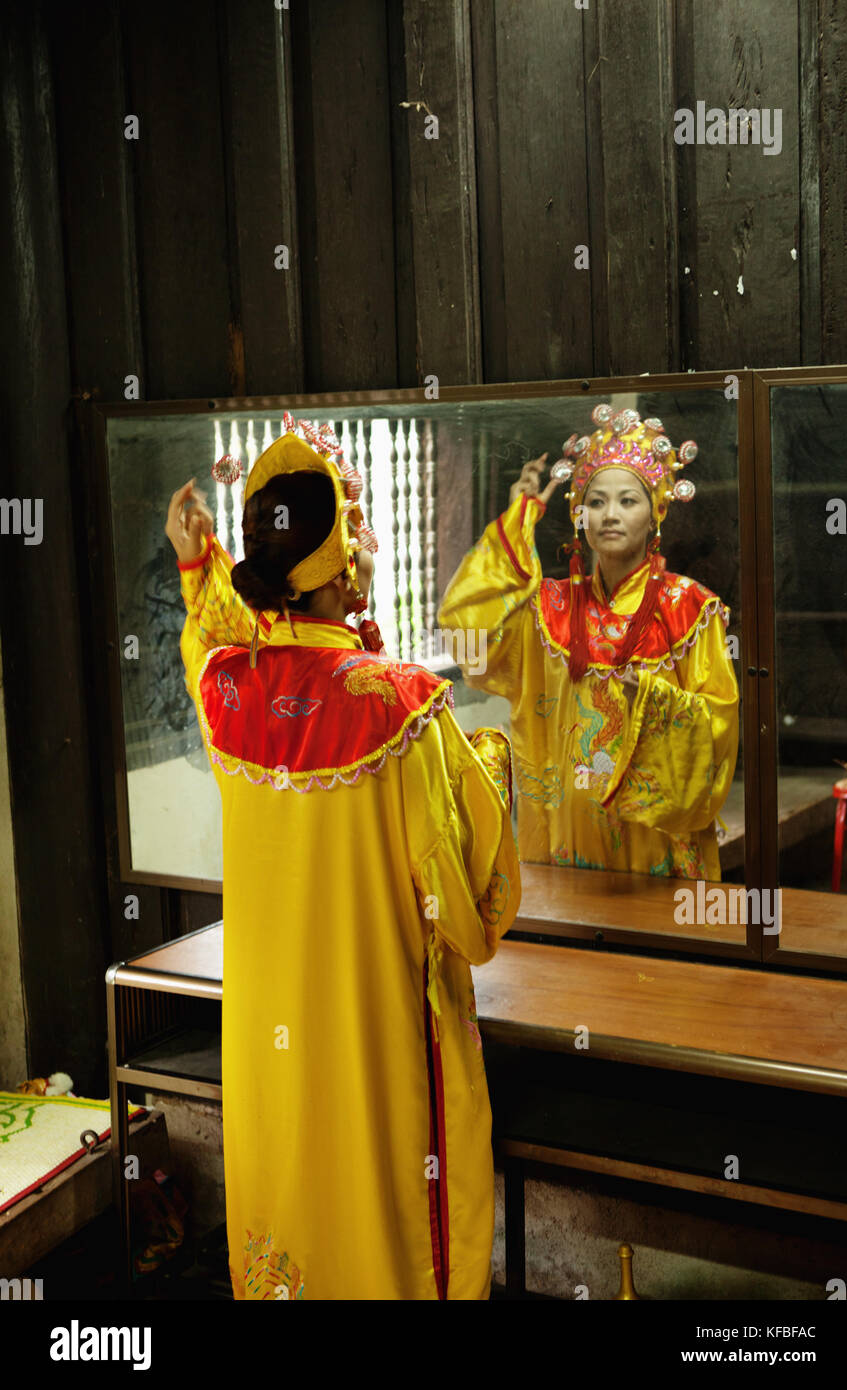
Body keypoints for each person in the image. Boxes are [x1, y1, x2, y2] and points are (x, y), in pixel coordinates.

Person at [165, 416, 520, 1300]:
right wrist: (495, 769)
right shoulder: (402, 707)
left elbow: (211, 639)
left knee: (290, 1183)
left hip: (268, 1028)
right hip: (371, 1022)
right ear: (348, 562)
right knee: (381, 1189)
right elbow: (465, 900)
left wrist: (196, 562)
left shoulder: (224, 692)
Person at [438, 404, 739, 879]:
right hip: (562, 836)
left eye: (628, 501)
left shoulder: (689, 609)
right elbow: (467, 631)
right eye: (596, 502)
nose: (610, 515)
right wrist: (518, 524)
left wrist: (659, 704)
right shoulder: (546, 609)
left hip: (654, 844)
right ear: (579, 515)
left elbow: (720, 728)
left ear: (657, 511)